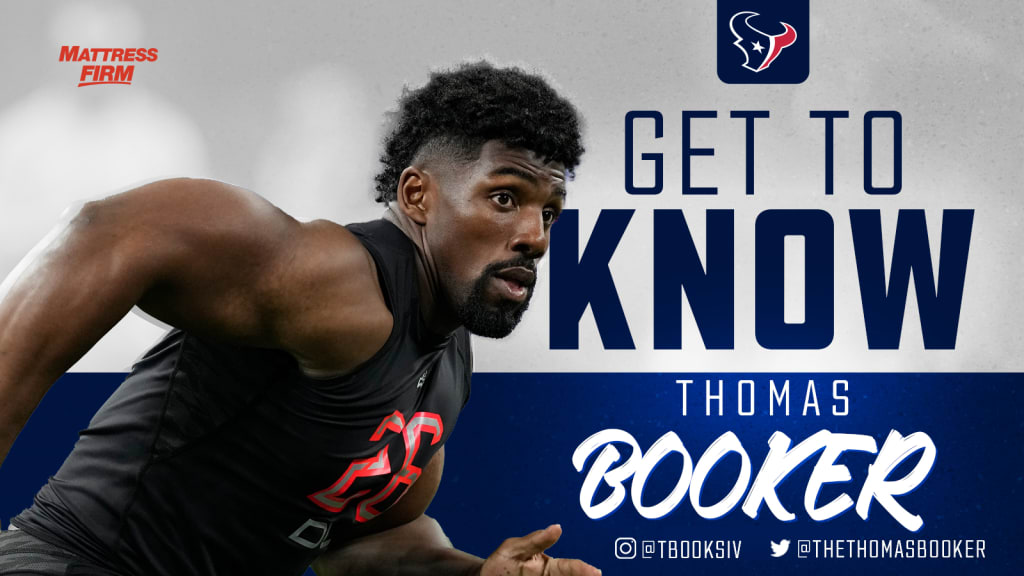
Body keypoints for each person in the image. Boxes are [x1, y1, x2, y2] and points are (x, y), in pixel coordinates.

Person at [0, 62, 598, 576]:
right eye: (504, 198)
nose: (534, 236)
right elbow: (105, 230)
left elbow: (349, 542)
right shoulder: (338, 280)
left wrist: (474, 571)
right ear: (417, 197)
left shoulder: (446, 365)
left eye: (549, 213)